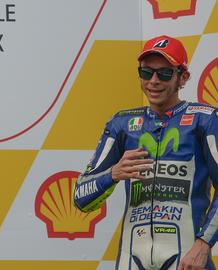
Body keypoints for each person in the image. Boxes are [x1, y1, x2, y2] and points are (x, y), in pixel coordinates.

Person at [73, 35, 218, 270]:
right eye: (146, 72)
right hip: (131, 259)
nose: (153, 81)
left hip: (186, 260)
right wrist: (113, 174)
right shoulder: (121, 124)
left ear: (183, 77)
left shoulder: (205, 120)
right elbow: (80, 198)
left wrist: (203, 245)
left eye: (164, 73)